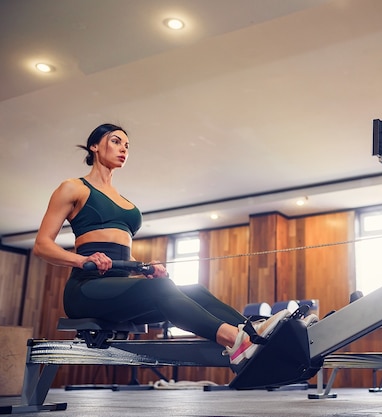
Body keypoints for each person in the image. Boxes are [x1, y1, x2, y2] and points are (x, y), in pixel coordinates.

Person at [33, 123, 308, 368]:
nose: (123, 149)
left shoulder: (123, 199)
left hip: (119, 288)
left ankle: (255, 332)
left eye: (127, 145)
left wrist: (144, 267)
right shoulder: (74, 187)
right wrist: (81, 260)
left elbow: (119, 250)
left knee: (195, 291)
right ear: (94, 145)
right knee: (162, 289)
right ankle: (236, 341)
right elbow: (42, 245)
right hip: (86, 289)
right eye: (116, 141)